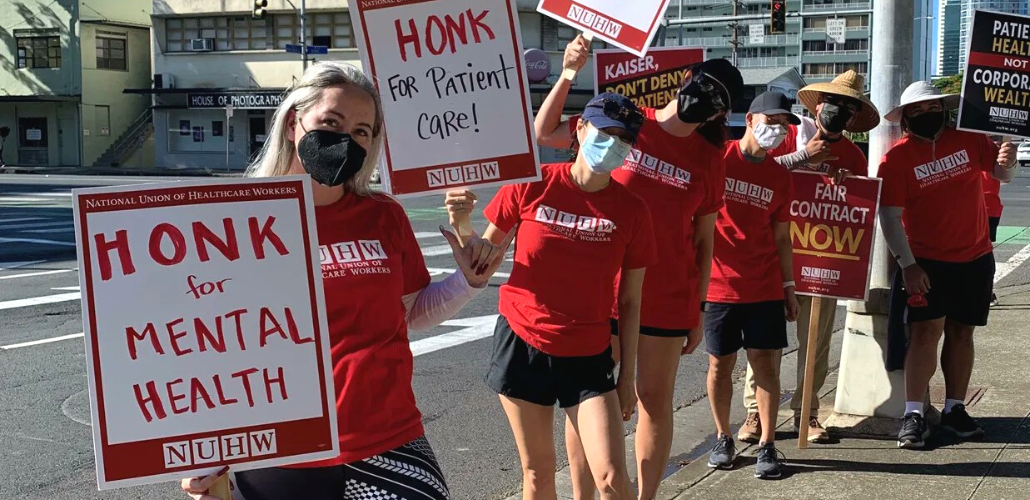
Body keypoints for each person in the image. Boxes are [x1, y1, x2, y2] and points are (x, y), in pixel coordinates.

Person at [180, 61, 511, 500]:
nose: (345, 139)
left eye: (361, 131)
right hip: (283, 449)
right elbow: (203, 346)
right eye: (331, 122)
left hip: (388, 439)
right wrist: (202, 451)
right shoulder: (236, 223)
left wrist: (467, 282)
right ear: (296, 123)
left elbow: (411, 312)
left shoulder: (383, 215)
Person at [531, 35, 743, 500]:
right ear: (687, 78)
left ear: (716, 115)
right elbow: (545, 132)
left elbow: (705, 241)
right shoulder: (629, 121)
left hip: (667, 296)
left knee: (654, 401)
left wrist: (699, 306)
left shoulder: (710, 159)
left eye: (717, 101)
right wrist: (568, 71)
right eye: (703, 85)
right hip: (603, 289)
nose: (704, 99)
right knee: (589, 402)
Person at [451, 92, 657, 500]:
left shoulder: (632, 210)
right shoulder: (534, 183)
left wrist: (627, 375)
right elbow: (481, 265)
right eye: (605, 131)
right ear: (580, 128)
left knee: (613, 479)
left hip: (588, 354)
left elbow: (631, 302)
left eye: (624, 139)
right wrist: (461, 223)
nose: (613, 144)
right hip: (523, 342)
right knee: (537, 475)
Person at [739, 70, 880, 444]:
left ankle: (808, 413)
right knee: (765, 343)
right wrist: (804, 157)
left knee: (815, 341)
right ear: (818, 105)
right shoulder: (785, 137)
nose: (839, 112)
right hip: (775, 257)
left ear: (853, 119)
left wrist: (847, 186)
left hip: (823, 258)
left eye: (848, 109)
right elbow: (757, 174)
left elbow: (858, 205)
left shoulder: (852, 154)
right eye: (834, 103)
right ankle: (755, 413)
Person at [877, 81, 1016, 449]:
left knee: (962, 333)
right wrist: (907, 265)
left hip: (975, 257)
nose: (926, 115)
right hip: (926, 263)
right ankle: (913, 413)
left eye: (931, 108)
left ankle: (954, 408)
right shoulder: (896, 159)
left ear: (945, 109)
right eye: (916, 112)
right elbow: (889, 217)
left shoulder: (970, 141)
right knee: (925, 334)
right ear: (905, 119)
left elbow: (1002, 175)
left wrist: (1009, 159)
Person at [704, 91, 800, 479]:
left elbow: (782, 238)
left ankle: (767, 445)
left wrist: (789, 288)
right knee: (718, 365)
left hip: (764, 287)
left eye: (783, 125)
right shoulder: (716, 160)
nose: (776, 131)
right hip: (718, 287)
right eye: (771, 121)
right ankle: (723, 436)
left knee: (766, 368)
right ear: (750, 119)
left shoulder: (779, 176)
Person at [982, 169, 1004, 306]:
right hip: (990, 207)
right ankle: (987, 292)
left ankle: (987, 292)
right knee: (985, 251)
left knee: (984, 252)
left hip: (986, 206)